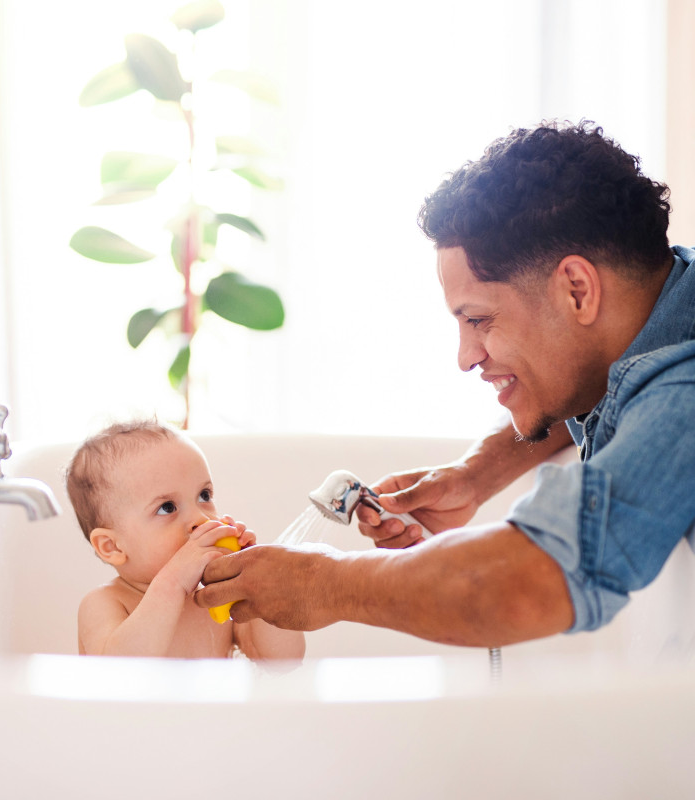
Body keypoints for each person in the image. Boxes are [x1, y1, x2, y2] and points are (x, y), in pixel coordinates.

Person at [195, 120, 695, 647]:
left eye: (479, 320)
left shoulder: (682, 389)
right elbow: (592, 380)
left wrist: (324, 584)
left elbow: (524, 590)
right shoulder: (659, 301)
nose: (465, 357)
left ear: (577, 290)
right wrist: (475, 475)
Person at [66, 419, 305, 660]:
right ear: (112, 546)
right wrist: (173, 582)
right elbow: (119, 671)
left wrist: (255, 585)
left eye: (204, 495)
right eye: (167, 507)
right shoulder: (104, 603)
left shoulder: (216, 597)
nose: (201, 518)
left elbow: (283, 659)